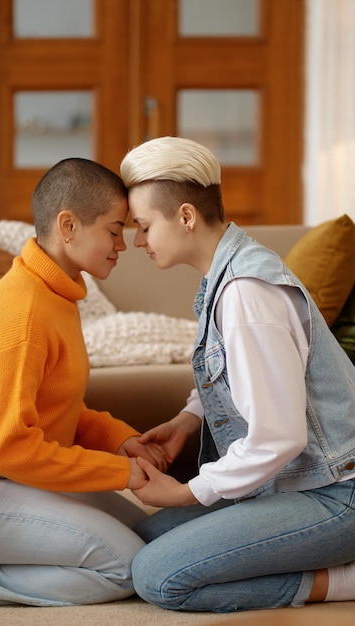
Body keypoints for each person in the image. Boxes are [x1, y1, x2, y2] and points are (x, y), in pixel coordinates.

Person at [119, 136, 355, 613]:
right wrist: (187, 421)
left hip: (337, 493)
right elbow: (234, 370)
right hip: (293, 483)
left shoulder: (247, 293)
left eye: (143, 226)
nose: (138, 241)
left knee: (157, 576)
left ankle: (342, 579)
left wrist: (189, 491)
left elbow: (278, 437)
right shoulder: (223, 275)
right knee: (141, 539)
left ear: (186, 217)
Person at [0, 157, 167, 609]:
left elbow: (52, 405)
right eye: (114, 229)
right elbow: (8, 447)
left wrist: (119, 442)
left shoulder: (56, 294)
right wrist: (122, 474)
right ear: (68, 225)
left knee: (142, 535)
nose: (123, 244)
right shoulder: (21, 312)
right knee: (126, 567)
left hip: (6, 470)